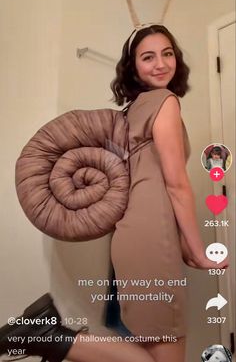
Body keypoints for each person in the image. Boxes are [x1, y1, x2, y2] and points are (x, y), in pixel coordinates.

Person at [0, 25, 229, 362]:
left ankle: (48, 335)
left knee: (155, 350)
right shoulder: (165, 102)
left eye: (167, 53)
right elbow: (176, 185)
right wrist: (197, 251)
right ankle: (48, 335)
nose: (161, 63)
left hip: (136, 236)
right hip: (153, 239)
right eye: (147, 57)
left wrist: (182, 245)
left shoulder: (133, 110)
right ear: (133, 66)